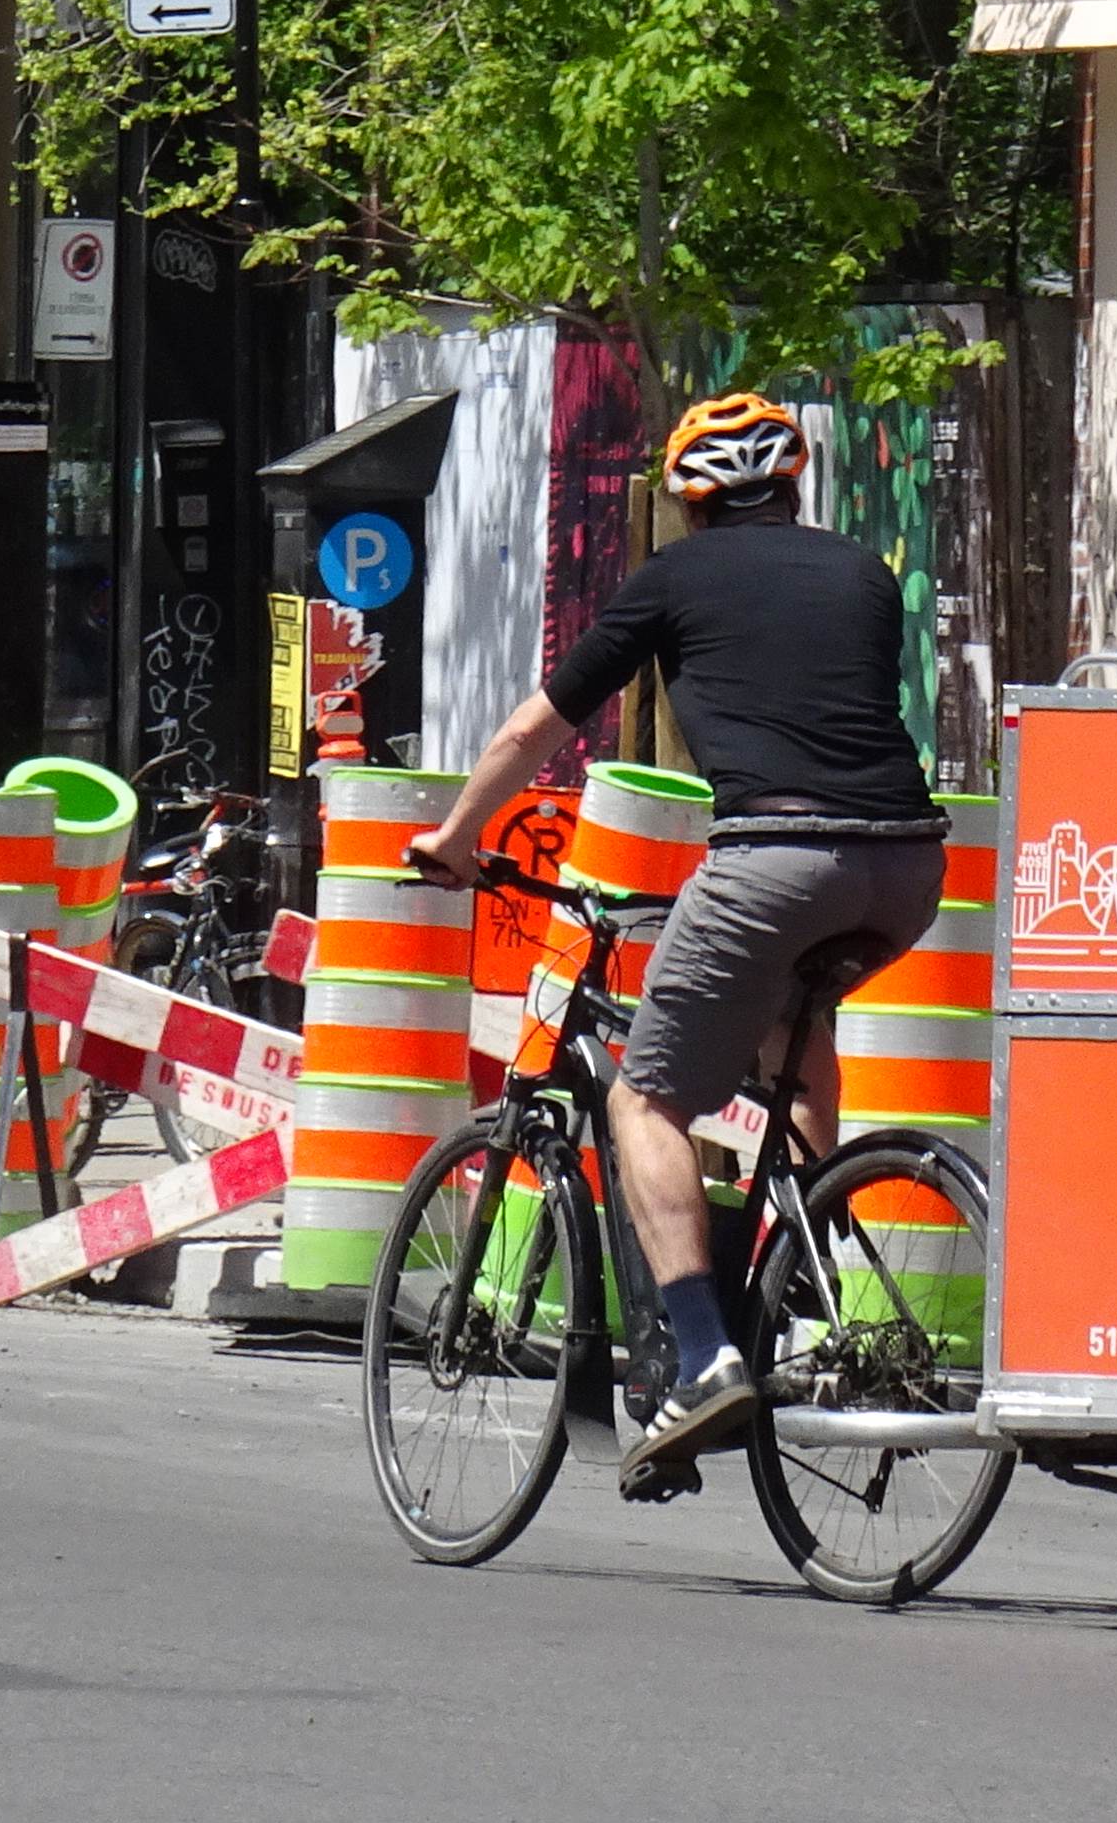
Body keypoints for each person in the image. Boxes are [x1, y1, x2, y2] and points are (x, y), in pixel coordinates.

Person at [404, 391, 945, 1489]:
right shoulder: (864, 574)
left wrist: (457, 836)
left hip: (773, 862)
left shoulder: (674, 580)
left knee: (643, 1098)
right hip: (909, 867)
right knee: (797, 1020)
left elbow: (533, 728)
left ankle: (704, 1356)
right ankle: (799, 1268)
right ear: (794, 488)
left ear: (690, 507)